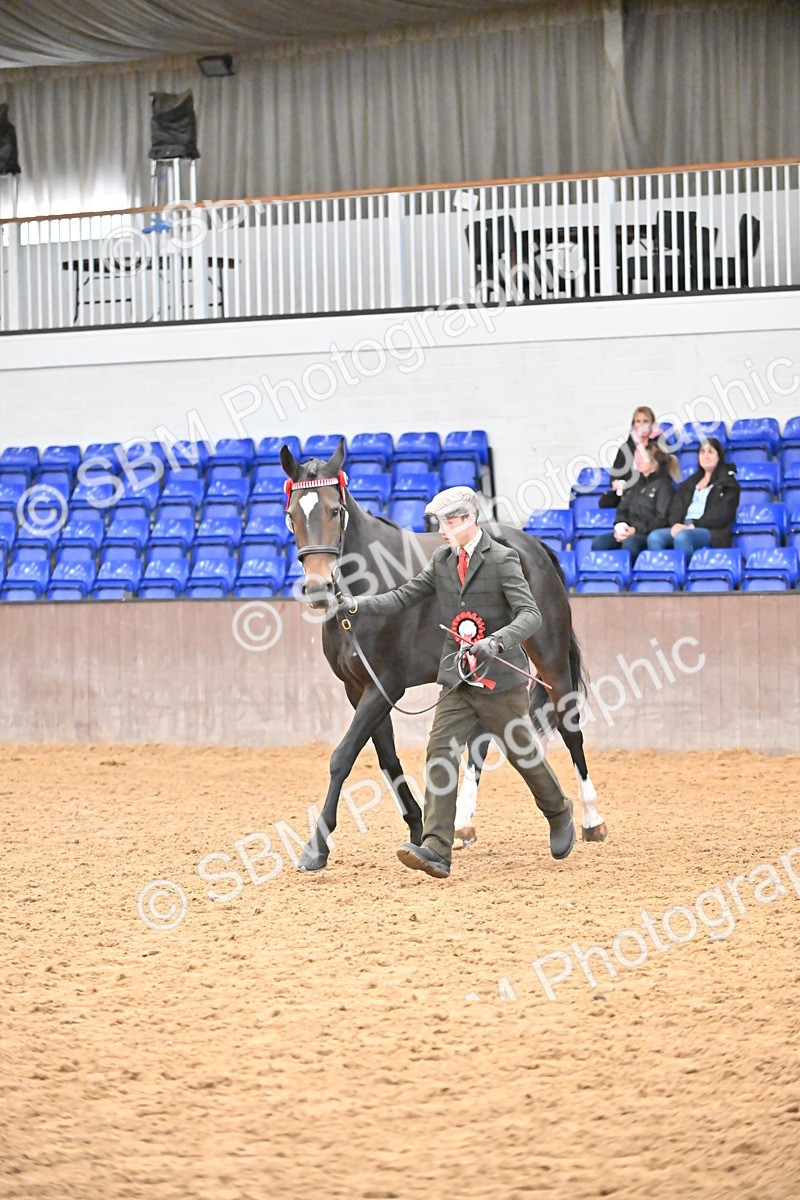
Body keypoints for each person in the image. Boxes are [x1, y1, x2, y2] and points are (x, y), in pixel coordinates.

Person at [337, 485, 575, 880]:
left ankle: (558, 810)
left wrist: (497, 641)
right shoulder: (442, 560)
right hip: (457, 677)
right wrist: (359, 604)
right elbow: (404, 596)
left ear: (467, 520)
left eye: (447, 522)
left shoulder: (503, 559)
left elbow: (530, 615)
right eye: (439, 523)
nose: (440, 530)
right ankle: (436, 847)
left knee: (522, 754)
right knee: (440, 754)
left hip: (499, 679)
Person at [647, 438, 740, 559]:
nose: (706, 456)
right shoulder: (690, 482)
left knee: (683, 537)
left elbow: (722, 515)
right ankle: (664, 570)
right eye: (702, 452)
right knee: (655, 537)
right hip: (684, 526)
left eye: (710, 452)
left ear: (719, 457)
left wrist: (693, 526)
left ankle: (685, 570)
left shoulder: (728, 484)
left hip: (710, 530)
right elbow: (676, 507)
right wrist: (676, 524)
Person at [590, 444, 678, 562]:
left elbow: (661, 519)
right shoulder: (636, 484)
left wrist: (636, 530)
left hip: (646, 533)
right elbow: (622, 508)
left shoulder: (665, 486)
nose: (638, 461)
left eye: (642, 458)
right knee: (599, 543)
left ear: (654, 463)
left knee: (630, 544)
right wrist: (620, 525)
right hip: (629, 531)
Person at [599, 405, 662, 508]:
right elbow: (615, 475)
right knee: (606, 501)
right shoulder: (626, 448)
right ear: (633, 425)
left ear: (652, 425)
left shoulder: (660, 445)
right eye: (638, 421)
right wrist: (618, 484)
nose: (642, 425)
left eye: (645, 421)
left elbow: (663, 474)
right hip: (628, 491)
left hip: (651, 490)